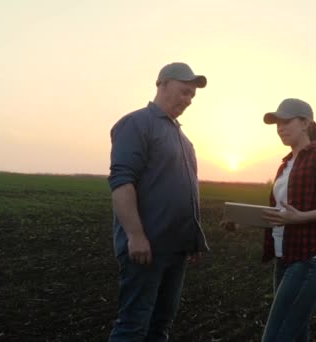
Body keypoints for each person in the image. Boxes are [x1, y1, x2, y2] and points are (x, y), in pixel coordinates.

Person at [224, 98, 316, 341]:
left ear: (306, 123)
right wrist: (242, 222)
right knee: (294, 335)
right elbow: (280, 215)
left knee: (276, 336)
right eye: (277, 124)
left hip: (312, 260)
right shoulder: (284, 167)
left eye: (286, 122)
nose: (280, 128)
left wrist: (301, 218)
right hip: (284, 260)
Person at [107, 62, 209, 342]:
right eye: (183, 91)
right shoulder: (136, 123)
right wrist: (135, 235)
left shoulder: (184, 140)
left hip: (177, 250)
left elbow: (187, 191)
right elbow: (121, 182)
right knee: (133, 325)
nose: (188, 100)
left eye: (192, 96)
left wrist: (193, 239)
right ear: (162, 84)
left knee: (160, 326)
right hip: (147, 248)